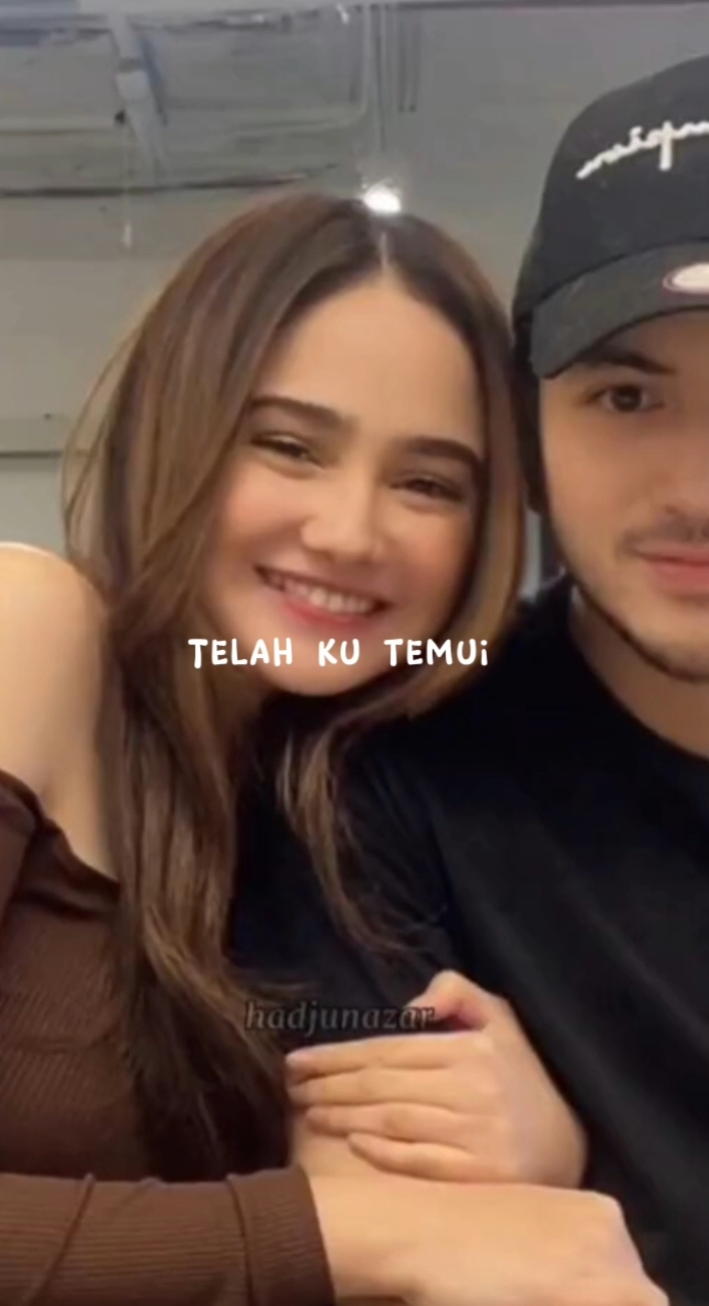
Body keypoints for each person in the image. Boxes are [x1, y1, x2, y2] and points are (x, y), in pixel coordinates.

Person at [0, 191, 657, 1306]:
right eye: (289, 446)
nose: (349, 532)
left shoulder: (331, 795)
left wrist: (539, 1149)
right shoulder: (25, 627)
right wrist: (365, 1231)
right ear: (174, 432)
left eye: (426, 482)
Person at [293, 53, 709, 1306]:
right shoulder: (385, 772)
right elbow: (393, 1233)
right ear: (525, 434)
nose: (696, 489)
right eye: (627, 394)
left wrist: (569, 1183)